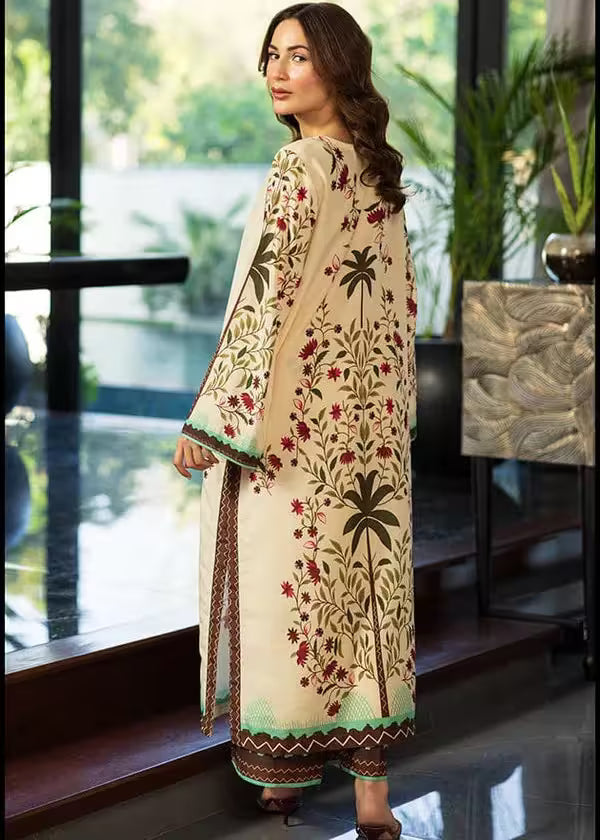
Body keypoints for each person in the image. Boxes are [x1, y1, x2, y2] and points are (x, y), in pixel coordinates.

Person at [173, 4, 417, 839]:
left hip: (291, 428)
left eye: (299, 56)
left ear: (339, 65)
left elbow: (263, 301)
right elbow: (398, 311)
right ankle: (371, 799)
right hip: (368, 427)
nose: (278, 71)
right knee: (367, 594)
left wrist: (212, 420)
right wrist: (391, 414)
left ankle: (283, 778)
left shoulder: (298, 166)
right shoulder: (380, 170)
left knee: (290, 594)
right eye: (271, 55)